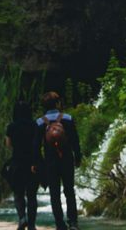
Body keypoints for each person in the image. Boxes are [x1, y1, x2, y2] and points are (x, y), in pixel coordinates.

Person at [32, 92, 82, 230]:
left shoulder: (40, 122)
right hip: (66, 159)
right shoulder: (68, 118)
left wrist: (38, 163)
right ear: (58, 103)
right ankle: (73, 222)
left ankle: (60, 224)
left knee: (54, 193)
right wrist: (78, 157)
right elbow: (75, 141)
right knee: (69, 191)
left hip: (50, 162)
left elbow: (36, 146)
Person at [5, 100, 39, 230]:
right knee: (32, 195)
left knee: (18, 193)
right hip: (32, 163)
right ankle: (32, 224)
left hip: (17, 162)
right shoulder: (34, 125)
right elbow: (38, 143)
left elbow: (8, 144)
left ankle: (22, 218)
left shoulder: (11, 126)